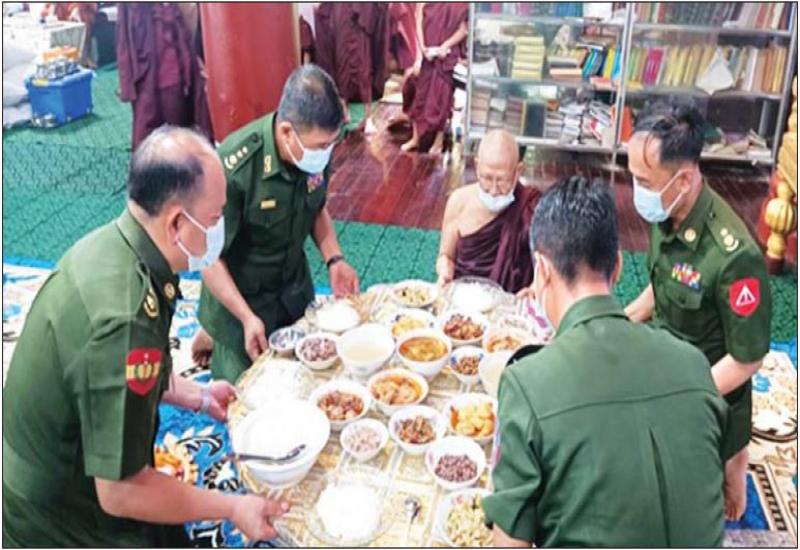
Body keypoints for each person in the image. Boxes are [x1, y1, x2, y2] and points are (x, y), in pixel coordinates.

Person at [2, 127, 289, 547]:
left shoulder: (119, 246)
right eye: (215, 219)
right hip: (57, 510)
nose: (221, 230)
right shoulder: (126, 319)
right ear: (177, 223)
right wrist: (232, 508)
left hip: (66, 458)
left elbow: (124, 376)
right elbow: (120, 492)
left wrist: (199, 396)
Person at [482, 176, 733, 547]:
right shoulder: (693, 363)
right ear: (617, 266)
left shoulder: (527, 382)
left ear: (541, 271)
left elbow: (511, 543)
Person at [624, 104, 772, 521]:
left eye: (643, 182)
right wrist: (613, 322)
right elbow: (663, 284)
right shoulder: (668, 211)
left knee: (702, 505)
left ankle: (735, 462)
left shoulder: (733, 256)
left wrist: (683, 395)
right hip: (665, 364)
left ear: (684, 179)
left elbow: (747, 359)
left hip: (711, 389)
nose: (637, 192)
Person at [197, 65, 360, 383]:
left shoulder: (313, 151)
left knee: (312, 379)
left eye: (331, 144)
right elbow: (208, 257)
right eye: (320, 146)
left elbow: (316, 207)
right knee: (246, 394)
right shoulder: (235, 167)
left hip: (292, 291)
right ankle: (214, 338)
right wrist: (246, 318)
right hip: (241, 304)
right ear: (286, 132)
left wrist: (335, 259)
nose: (326, 154)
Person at [436, 129, 539, 293]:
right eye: (487, 178)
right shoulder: (458, 202)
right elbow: (445, 255)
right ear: (477, 166)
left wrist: (534, 288)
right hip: (464, 298)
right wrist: (445, 271)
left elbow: (548, 265)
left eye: (502, 180)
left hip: (511, 303)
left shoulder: (532, 208)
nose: (493, 190)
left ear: (518, 171)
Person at [116, 2, 213, 149]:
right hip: (165, 62)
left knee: (150, 128)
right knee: (177, 131)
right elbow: (190, 9)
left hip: (152, 62)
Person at [401, 2, 468, 153]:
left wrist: (445, 45)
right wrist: (422, 49)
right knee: (419, 95)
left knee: (442, 99)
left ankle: (438, 141)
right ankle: (415, 138)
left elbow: (463, 29)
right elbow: (418, 19)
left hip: (446, 57)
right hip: (427, 56)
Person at [313, 3, 390, 132]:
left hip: (360, 17)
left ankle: (368, 117)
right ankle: (344, 111)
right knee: (341, 64)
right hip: (341, 14)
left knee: (363, 68)